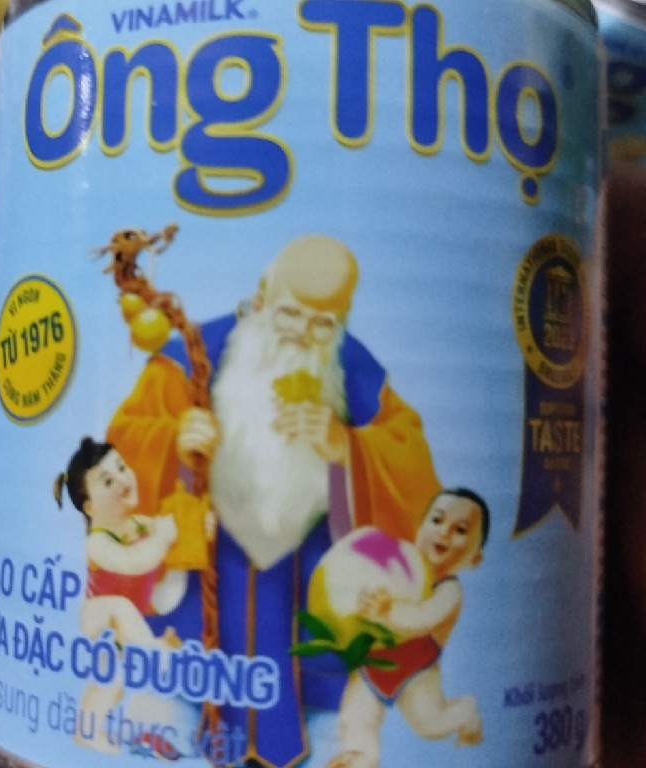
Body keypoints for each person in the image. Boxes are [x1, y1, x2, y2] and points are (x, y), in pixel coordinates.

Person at [106, 234, 441, 767]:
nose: (304, 334)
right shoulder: (192, 355)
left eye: (323, 323)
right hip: (201, 584)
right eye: (289, 314)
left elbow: (412, 462)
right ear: (261, 299)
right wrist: (173, 441)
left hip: (308, 586)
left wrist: (347, 448)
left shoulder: (350, 367)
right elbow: (121, 444)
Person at [327, 489, 489, 768]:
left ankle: (465, 712)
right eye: (437, 520)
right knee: (356, 710)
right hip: (375, 657)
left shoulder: (449, 589)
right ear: (418, 529)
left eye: (460, 529)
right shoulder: (400, 564)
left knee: (430, 723)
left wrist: (388, 611)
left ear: (474, 559)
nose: (444, 532)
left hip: (418, 667)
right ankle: (361, 755)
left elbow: (424, 617)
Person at [54, 437, 185, 753]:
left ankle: (88, 730)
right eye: (108, 481)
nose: (123, 480)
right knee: (120, 607)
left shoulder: (137, 524)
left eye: (122, 468)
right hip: (99, 615)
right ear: (89, 507)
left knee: (110, 683)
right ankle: (153, 651)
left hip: (126, 627)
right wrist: (162, 540)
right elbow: (133, 562)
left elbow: (170, 531)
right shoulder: (97, 541)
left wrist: (188, 524)